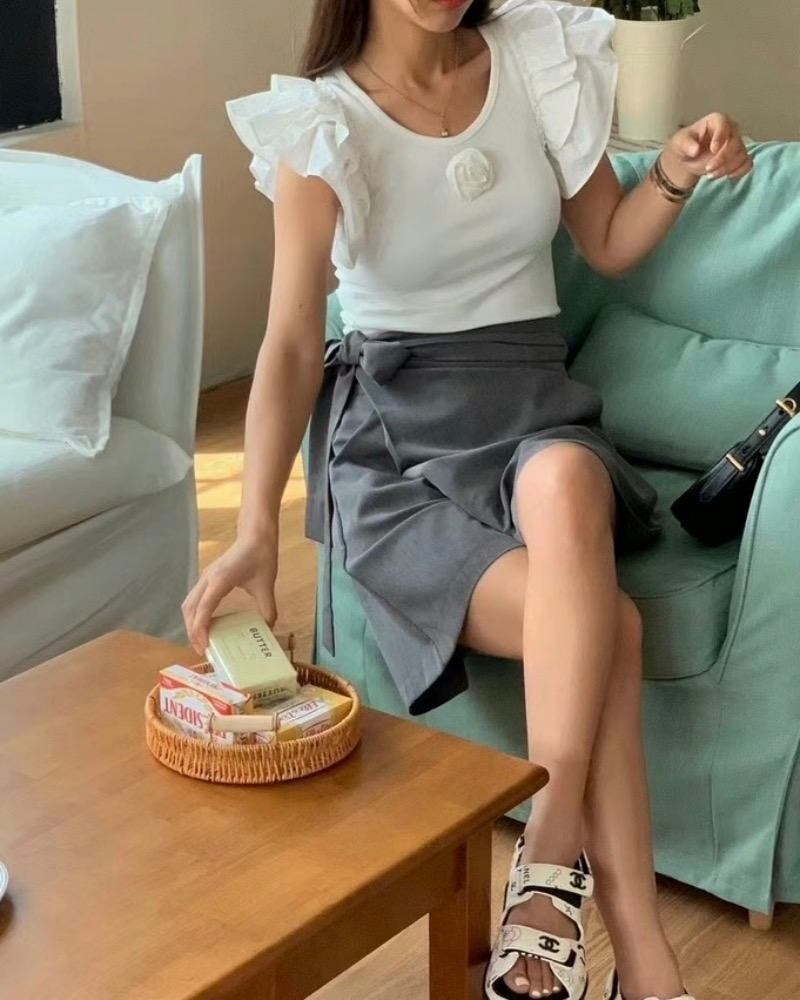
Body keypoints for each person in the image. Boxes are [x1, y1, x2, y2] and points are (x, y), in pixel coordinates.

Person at [182, 1, 752, 997]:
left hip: (532, 407)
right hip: (396, 443)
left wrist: (672, 171)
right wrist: (255, 532)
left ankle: (546, 856)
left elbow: (606, 240)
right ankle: (647, 967)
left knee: (567, 478)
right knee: (606, 626)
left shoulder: (534, 55)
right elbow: (289, 343)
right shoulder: (321, 122)